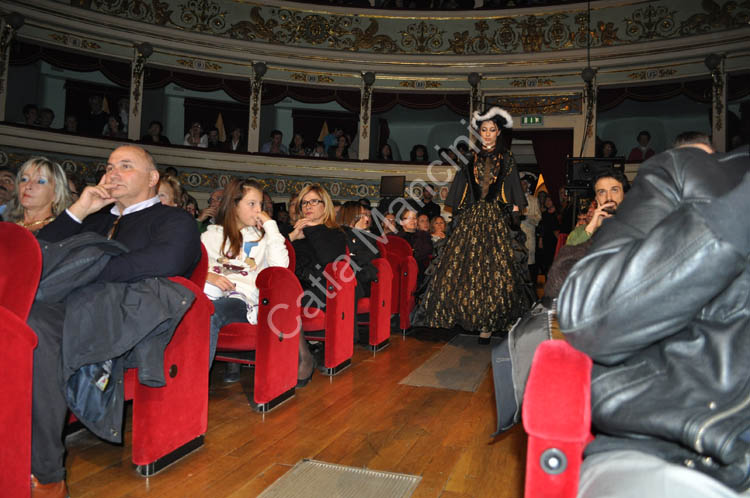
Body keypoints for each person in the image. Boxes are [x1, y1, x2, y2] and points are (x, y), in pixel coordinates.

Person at [559, 145, 750, 498]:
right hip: (676, 445)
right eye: (600, 192)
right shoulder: (666, 194)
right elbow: (567, 289)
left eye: (613, 190)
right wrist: (593, 229)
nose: (607, 197)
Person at [30, 145, 201, 497]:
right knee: (17, 320)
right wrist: (78, 210)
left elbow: (166, 261)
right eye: (109, 167)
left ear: (153, 179)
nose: (112, 174)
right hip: (69, 306)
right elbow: (34, 257)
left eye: (125, 166)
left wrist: (79, 274)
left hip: (121, 317)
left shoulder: (174, 219)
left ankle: (47, 473)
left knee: (34, 328)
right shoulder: (94, 218)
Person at [415, 106, 534, 343]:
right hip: (471, 219)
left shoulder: (507, 158)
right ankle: (468, 316)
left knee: (495, 272)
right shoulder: (470, 158)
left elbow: (512, 188)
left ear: (499, 132)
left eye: (492, 130)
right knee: (464, 271)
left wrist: (514, 209)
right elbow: (462, 189)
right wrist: (461, 212)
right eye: (484, 130)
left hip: (496, 219)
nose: (488, 134)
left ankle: (487, 326)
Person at [200, 178, 311, 383]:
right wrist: (208, 275)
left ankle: (193, 386)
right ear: (234, 205)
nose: (258, 210)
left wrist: (271, 227)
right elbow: (193, 267)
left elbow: (281, 269)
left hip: (242, 301)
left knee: (210, 314)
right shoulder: (210, 236)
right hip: (209, 293)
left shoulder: (263, 238)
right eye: (252, 204)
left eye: (260, 204)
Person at [289, 185, 346, 374]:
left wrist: (312, 229)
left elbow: (328, 259)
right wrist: (291, 237)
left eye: (314, 201)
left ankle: (304, 358)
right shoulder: (293, 230)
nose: (308, 206)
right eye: (304, 202)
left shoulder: (335, 232)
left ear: (325, 205)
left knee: (287, 302)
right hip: (293, 285)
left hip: (320, 289)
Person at [4, 157, 72, 234]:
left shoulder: (60, 231)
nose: (28, 186)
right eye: (24, 179)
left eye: (40, 181)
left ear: (56, 194)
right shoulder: (6, 227)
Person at [566, 168, 629, 246]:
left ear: (624, 195)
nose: (609, 197)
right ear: (596, 198)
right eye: (602, 192)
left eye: (614, 190)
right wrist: (592, 227)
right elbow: (570, 255)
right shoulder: (580, 232)